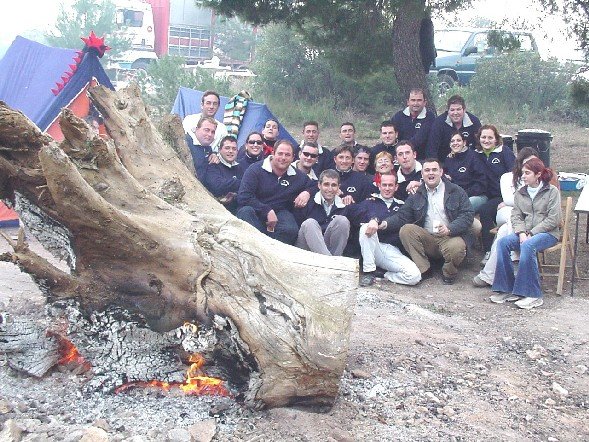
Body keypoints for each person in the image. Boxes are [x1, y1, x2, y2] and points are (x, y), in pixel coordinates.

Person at [380, 158, 475, 284]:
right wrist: (385, 223)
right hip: (428, 238)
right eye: (427, 170)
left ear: (441, 172)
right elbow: (402, 216)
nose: (431, 173)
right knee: (406, 230)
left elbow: (467, 214)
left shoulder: (456, 191)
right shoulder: (416, 194)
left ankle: (449, 272)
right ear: (422, 174)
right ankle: (424, 269)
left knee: (457, 247)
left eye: (434, 170)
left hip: (450, 236)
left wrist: (450, 228)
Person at [490, 158, 561, 309]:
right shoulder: (520, 193)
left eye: (527, 173)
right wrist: (521, 232)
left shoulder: (552, 191)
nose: (523, 176)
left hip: (547, 234)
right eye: (523, 173)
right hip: (526, 233)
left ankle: (533, 294)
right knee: (503, 242)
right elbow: (516, 216)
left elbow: (553, 219)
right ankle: (506, 288)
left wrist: (532, 233)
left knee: (528, 245)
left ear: (538, 174)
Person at [473, 147, 540, 287]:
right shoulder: (507, 177)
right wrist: (520, 202)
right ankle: (515, 256)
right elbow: (509, 199)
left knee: (503, 232)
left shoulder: (538, 179)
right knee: (511, 216)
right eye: (526, 162)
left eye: (533, 162)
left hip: (528, 217)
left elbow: (535, 202)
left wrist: (516, 202)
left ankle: (488, 275)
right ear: (520, 162)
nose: (529, 166)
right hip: (507, 213)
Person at [346, 173, 421, 287]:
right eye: (384, 185)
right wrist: (372, 219)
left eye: (390, 185)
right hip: (373, 246)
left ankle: (384, 275)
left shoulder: (402, 206)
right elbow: (353, 214)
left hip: (392, 250)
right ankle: (369, 272)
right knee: (366, 227)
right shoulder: (369, 202)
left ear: (396, 187)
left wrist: (378, 220)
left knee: (414, 276)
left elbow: (401, 220)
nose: (387, 188)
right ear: (379, 186)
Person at [237, 140, 314, 245]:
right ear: (273, 153)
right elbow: (244, 196)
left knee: (290, 229)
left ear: (293, 158)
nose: (283, 158)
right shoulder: (255, 170)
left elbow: (314, 185)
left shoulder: (298, 176)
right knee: (245, 213)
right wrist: (267, 210)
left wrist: (307, 192)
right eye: (280, 153)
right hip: (254, 209)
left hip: (280, 212)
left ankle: (274, 255)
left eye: (287, 155)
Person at [474, 125, 516, 265]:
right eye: (483, 137)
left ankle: (488, 251)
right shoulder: (475, 154)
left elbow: (514, 175)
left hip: (502, 196)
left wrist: (509, 200)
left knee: (485, 211)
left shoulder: (504, 152)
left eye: (490, 137)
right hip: (484, 194)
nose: (486, 140)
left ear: (496, 139)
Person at [294, 169, 350, 256]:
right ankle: (331, 264)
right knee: (310, 223)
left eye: (334, 185)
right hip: (305, 248)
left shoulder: (343, 206)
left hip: (327, 248)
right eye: (326, 184)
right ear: (319, 185)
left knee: (342, 221)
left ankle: (333, 260)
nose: (330, 189)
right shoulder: (308, 202)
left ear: (338, 187)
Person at [426, 95, 481, 160]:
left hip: (468, 162)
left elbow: (480, 146)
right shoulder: (439, 123)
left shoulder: (474, 122)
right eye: (452, 110)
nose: (455, 113)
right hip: (444, 162)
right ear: (448, 111)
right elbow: (432, 148)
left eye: (458, 109)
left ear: (464, 110)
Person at [444, 131, 487, 212]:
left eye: (458, 140)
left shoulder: (474, 157)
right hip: (455, 196)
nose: (455, 143)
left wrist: (463, 195)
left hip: (476, 196)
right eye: (452, 141)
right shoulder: (449, 159)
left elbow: (481, 184)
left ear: (464, 143)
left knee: (462, 207)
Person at [203, 136, 246, 213]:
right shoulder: (213, 165)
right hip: (217, 210)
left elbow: (247, 190)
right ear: (219, 150)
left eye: (234, 149)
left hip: (238, 209)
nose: (230, 151)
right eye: (227, 148)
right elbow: (217, 186)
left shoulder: (241, 167)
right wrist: (239, 182)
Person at [390, 88, 435, 159]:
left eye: (419, 100)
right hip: (401, 156)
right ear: (408, 102)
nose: (415, 103)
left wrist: (404, 148)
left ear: (425, 102)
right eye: (413, 100)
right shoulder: (398, 117)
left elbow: (420, 139)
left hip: (423, 158)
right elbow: (391, 135)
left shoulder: (430, 117)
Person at [187, 116, 218, 181]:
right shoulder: (186, 142)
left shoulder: (208, 150)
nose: (210, 134)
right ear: (196, 129)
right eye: (206, 130)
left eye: (213, 132)